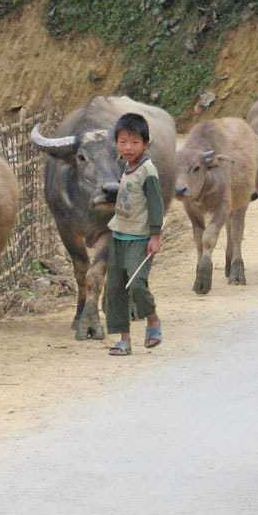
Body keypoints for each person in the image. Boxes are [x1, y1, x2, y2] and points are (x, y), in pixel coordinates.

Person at [105, 113, 164, 356]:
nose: (128, 147)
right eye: (123, 141)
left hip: (140, 238)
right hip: (118, 235)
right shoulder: (124, 166)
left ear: (146, 144)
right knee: (115, 288)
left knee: (137, 285)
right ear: (116, 143)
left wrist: (155, 235)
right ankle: (124, 339)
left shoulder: (148, 171)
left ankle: (153, 321)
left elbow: (156, 204)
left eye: (134, 142)